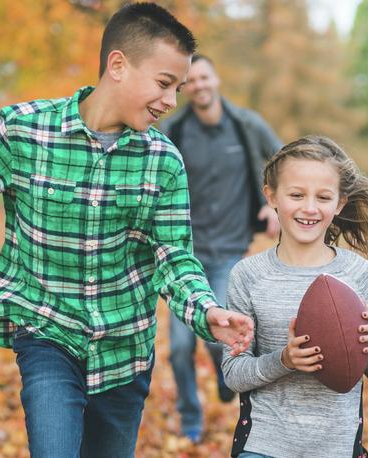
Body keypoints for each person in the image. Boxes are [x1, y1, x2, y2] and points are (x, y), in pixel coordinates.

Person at [0, 3, 255, 457]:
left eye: (179, 87)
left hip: (125, 350)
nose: (172, 101)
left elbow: (173, 258)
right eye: (164, 84)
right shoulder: (23, 131)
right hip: (47, 331)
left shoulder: (163, 161)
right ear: (117, 65)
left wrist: (205, 311)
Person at [221, 135, 368, 458]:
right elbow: (233, 374)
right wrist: (284, 360)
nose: (310, 208)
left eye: (323, 197)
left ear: (340, 203)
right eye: (296, 195)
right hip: (264, 446)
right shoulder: (248, 275)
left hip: (336, 447)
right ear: (271, 196)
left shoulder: (360, 274)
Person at [158, 54, 281, 443]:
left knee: (216, 337)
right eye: (190, 81)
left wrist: (271, 202)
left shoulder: (246, 125)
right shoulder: (174, 130)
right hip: (184, 254)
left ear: (216, 78)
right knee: (179, 348)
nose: (199, 85)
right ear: (183, 87)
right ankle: (190, 417)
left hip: (230, 250)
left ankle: (225, 378)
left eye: (204, 77)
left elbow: (284, 162)